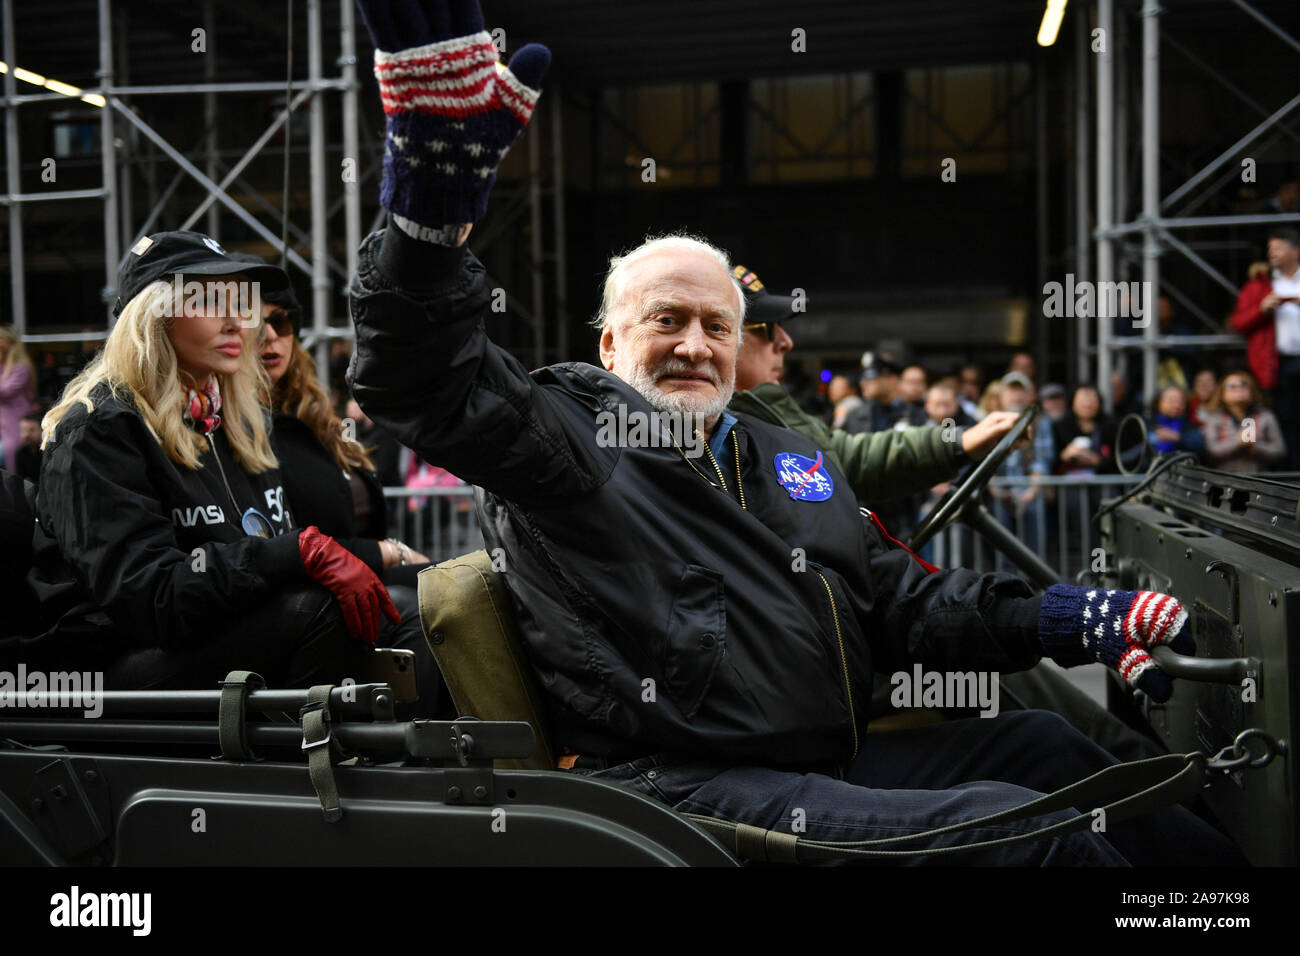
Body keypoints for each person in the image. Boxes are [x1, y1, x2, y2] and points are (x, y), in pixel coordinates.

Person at [346, 0, 1241, 866]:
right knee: (1029, 836)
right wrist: (425, 229)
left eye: (717, 326)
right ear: (610, 342)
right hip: (681, 786)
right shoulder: (572, 437)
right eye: (666, 320)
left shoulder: (786, 455)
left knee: (1061, 754)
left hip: (816, 757)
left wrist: (1063, 617)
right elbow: (423, 375)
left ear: (741, 345)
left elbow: (901, 602)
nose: (695, 345)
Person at [33, 230, 399, 687]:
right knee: (322, 611)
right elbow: (154, 602)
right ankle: (317, 757)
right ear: (155, 317)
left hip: (211, 638)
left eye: (240, 302)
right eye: (209, 302)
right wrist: (289, 553)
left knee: (409, 608)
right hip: (112, 671)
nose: (236, 323)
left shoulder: (235, 418)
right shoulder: (99, 427)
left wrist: (291, 557)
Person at [1229, 228, 1300, 468]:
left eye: (1278, 248)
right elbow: (1238, 322)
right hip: (1279, 363)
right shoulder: (1260, 284)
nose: (1273, 254)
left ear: (1295, 250)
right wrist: (1261, 308)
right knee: (1286, 420)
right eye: (1270, 249)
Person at [1201, 370, 1287, 473]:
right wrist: (1238, 441)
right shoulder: (1215, 418)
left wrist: (1255, 446)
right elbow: (1210, 451)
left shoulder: (1265, 416)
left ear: (1252, 390)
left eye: (1244, 385)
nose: (1239, 388)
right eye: (1232, 386)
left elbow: (1280, 451)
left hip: (1260, 479)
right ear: (1222, 393)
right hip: (1225, 480)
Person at [0, 326, 37, 473]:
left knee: (11, 459)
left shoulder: (21, 367)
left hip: (16, 420)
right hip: (5, 421)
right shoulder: (4, 365)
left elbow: (5, 391)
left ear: (10, 342)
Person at [1148, 386, 1205, 460]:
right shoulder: (1148, 423)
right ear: (1159, 402)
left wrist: (1177, 437)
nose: (1176, 405)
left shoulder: (1189, 426)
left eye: (1181, 402)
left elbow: (1199, 446)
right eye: (1171, 401)